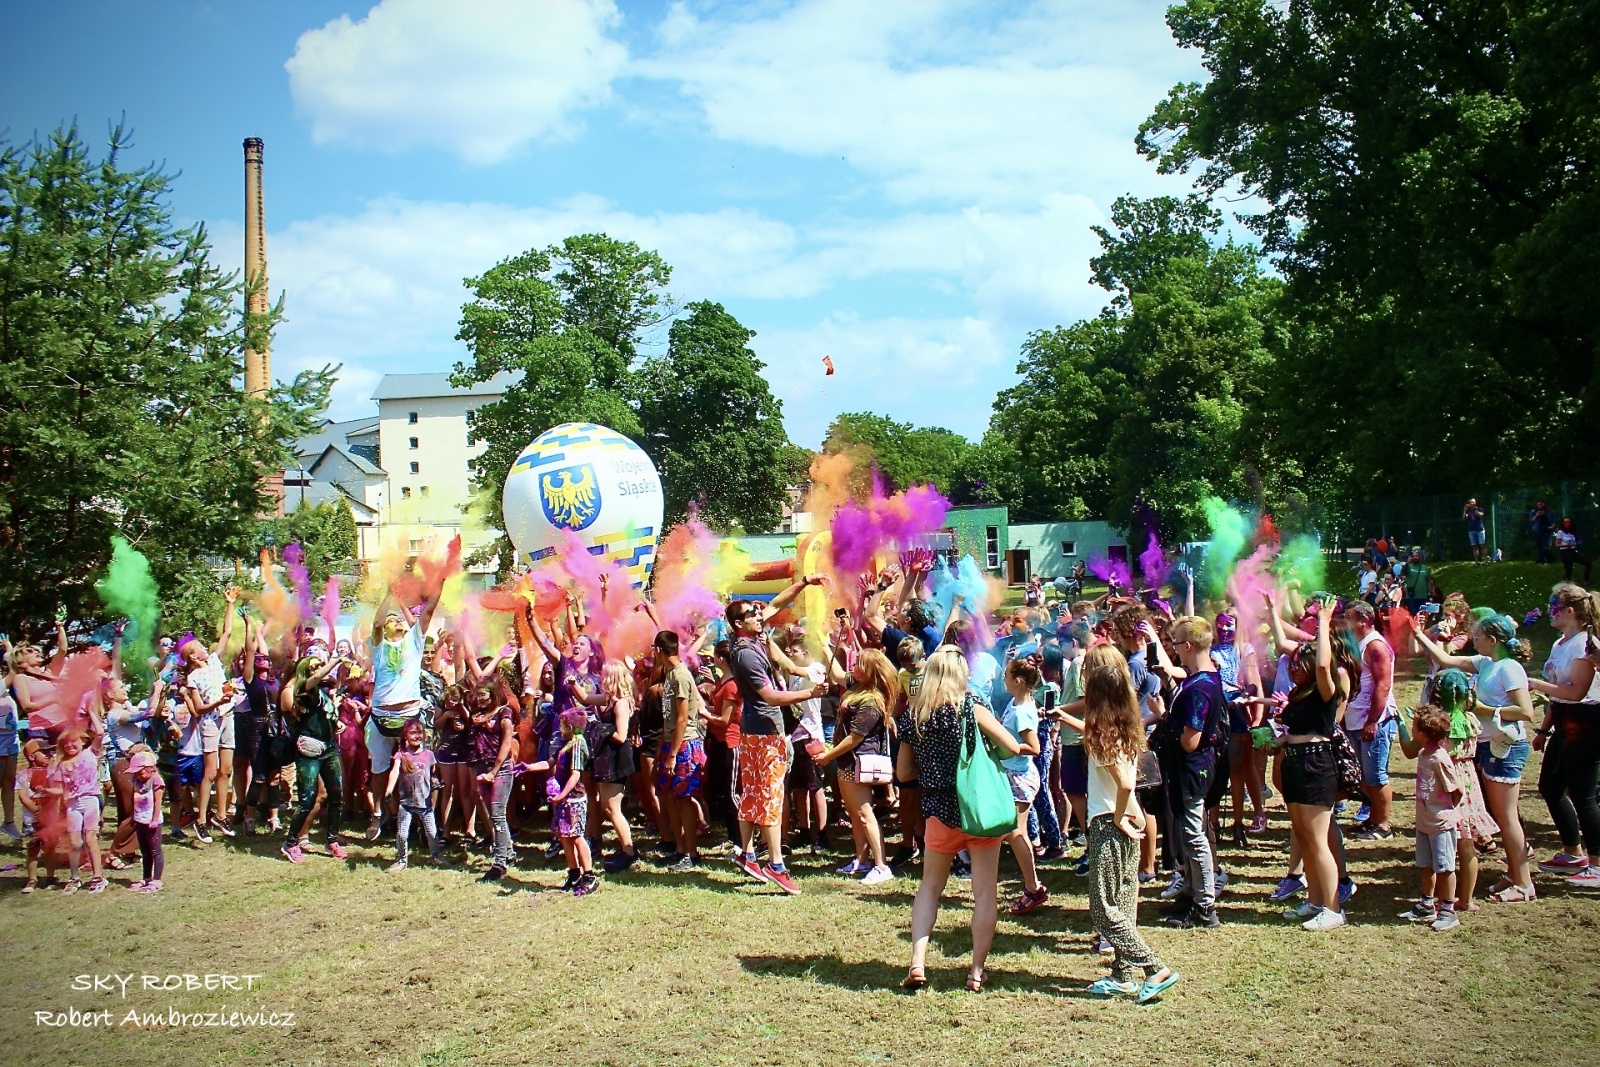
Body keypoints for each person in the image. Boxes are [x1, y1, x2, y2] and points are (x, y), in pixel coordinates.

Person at [895, 646, 1024, 992]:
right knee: (984, 893)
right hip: (978, 809)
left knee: (930, 888)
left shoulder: (914, 717)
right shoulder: (972, 709)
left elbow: (903, 771)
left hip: (937, 812)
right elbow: (1012, 746)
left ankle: (918, 962)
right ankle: (976, 971)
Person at [1072, 644, 1180, 1001]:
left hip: (1111, 824)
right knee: (1122, 901)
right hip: (1127, 822)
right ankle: (1121, 975)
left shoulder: (1105, 735)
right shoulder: (1123, 726)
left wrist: (1118, 815)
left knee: (1103, 908)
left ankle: (1154, 967)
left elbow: (1126, 782)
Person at [1416, 614, 1537, 902]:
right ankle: (1513, 873)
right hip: (1488, 747)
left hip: (1506, 749)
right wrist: (1419, 634)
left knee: (1507, 818)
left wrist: (1483, 709)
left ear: (1493, 640)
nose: (1474, 641)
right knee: (1500, 815)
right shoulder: (1487, 663)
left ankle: (1524, 883)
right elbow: (1446, 661)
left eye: (1478, 637)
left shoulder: (1509, 669)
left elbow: (1525, 712)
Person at [725, 576, 831, 895]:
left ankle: (746, 853)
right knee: (771, 796)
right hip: (765, 732)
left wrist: (804, 582)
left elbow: (776, 604)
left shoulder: (751, 637)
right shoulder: (746, 653)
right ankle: (776, 863)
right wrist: (809, 692)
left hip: (756, 731)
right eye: (752, 614)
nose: (760, 615)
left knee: (754, 794)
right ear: (739, 623)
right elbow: (770, 696)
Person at [1276, 599, 1355, 930]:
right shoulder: (1300, 693)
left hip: (1315, 766)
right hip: (1295, 764)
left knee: (1318, 839)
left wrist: (1323, 620)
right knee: (1305, 836)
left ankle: (1334, 909)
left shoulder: (1326, 689)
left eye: (1299, 664)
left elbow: (1324, 666)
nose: (1293, 668)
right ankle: (1314, 901)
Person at [1151, 616, 1227, 930]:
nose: (1175, 652)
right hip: (1194, 769)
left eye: (1177, 644)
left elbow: (1189, 741)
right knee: (1191, 833)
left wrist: (1163, 716)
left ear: (1187, 645)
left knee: (1195, 837)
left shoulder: (1199, 688)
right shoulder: (1203, 677)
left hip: (1192, 770)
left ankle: (1205, 905)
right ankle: (1192, 892)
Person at [1529, 584, 1600, 885]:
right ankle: (1573, 852)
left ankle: (1596, 865)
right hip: (1563, 721)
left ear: (1570, 610)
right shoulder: (1561, 643)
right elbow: (1558, 698)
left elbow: (1575, 692)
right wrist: (1544, 729)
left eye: (1553, 605)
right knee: (1550, 786)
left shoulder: (1587, 645)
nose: (1549, 611)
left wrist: (1534, 683)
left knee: (1583, 795)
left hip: (1586, 724)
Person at [812, 644, 897, 886]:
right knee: (856, 814)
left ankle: (881, 865)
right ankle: (862, 860)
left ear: (868, 671)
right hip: (848, 763)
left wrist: (829, 756)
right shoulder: (857, 687)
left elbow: (855, 737)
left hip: (858, 762)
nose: (853, 665)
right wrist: (825, 643)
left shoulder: (870, 700)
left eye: (858, 663)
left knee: (864, 813)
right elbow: (837, 674)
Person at [367, 589, 442, 841]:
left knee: (415, 768)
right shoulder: (378, 646)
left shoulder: (414, 641)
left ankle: (421, 822)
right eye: (392, 619)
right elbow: (377, 623)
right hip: (380, 717)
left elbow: (429, 610)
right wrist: (388, 594)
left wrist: (439, 579)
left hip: (409, 714)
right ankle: (377, 814)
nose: (397, 620)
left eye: (398, 618)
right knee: (379, 768)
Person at [1394, 703, 1463, 930]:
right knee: (1425, 864)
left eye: (1414, 728)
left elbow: (1456, 789)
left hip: (1440, 824)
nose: (1412, 731)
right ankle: (1426, 904)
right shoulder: (1424, 753)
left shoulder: (1439, 759)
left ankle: (1448, 910)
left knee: (1445, 867)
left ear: (1423, 734)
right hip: (1424, 822)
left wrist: (1443, 812)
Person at [280, 651, 348, 864]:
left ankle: (331, 840)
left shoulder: (319, 692)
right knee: (307, 799)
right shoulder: (302, 689)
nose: (318, 668)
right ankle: (290, 843)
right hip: (309, 750)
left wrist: (336, 723)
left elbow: (325, 713)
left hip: (329, 748)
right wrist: (335, 660)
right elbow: (316, 678)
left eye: (320, 664)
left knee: (337, 795)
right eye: (313, 665)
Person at [996, 657, 1048, 914]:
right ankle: (1031, 884)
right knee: (1013, 832)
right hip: (1012, 774)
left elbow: (1034, 748)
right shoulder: (1015, 703)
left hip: (1020, 777)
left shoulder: (1020, 712)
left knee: (1016, 832)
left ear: (1017, 681)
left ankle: (1033, 887)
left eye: (1006, 675)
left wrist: (1011, 745)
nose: (1002, 678)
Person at [1343, 601, 1397, 840]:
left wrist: (1373, 721)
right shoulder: (1358, 643)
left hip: (1376, 720)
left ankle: (1383, 825)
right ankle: (1372, 819)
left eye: (1349, 617)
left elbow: (1383, 685)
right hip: (1356, 719)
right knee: (1364, 776)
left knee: (1376, 775)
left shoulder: (1375, 646)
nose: (1345, 622)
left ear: (1363, 621)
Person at [655, 629, 707, 872]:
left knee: (684, 798)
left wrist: (674, 753)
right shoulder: (670, 674)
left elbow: (683, 719)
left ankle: (692, 852)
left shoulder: (680, 676)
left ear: (659, 651)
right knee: (670, 797)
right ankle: (679, 849)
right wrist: (663, 750)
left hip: (685, 744)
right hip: (671, 743)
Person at [468, 681, 517, 882]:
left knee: (497, 814)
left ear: (494, 694)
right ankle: (510, 852)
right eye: (477, 695)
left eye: (484, 695)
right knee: (493, 812)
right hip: (481, 766)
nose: (480, 699)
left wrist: (494, 772)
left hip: (500, 769)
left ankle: (499, 864)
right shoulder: (479, 715)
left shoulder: (504, 715)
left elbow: (506, 746)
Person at [48, 729, 106, 894]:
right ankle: (74, 878)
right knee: (74, 842)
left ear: (82, 741)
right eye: (65, 743)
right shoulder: (61, 765)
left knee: (90, 839)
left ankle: (98, 877)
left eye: (73, 741)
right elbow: (59, 789)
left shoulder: (90, 754)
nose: (69, 745)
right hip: (72, 804)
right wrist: (45, 790)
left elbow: (100, 733)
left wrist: (91, 708)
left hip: (90, 800)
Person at [594, 661, 639, 873]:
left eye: (604, 675)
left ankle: (629, 853)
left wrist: (599, 728)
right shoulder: (608, 700)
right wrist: (572, 682)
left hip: (617, 758)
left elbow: (621, 736)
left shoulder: (621, 703)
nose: (601, 678)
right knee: (606, 806)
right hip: (606, 758)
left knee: (613, 808)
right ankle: (624, 848)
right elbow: (584, 698)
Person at [386, 719, 445, 872]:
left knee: (432, 833)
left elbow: (433, 774)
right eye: (412, 733)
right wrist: (389, 789)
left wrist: (436, 783)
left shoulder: (429, 755)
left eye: (419, 732)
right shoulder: (401, 755)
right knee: (402, 834)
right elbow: (394, 772)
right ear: (405, 735)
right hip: (406, 804)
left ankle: (436, 855)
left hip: (425, 803)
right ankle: (401, 860)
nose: (417, 736)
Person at [550, 708, 596, 895]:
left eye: (561, 725)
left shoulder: (578, 744)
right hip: (563, 798)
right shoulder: (566, 744)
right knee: (564, 836)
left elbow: (576, 774)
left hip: (574, 798)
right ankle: (574, 872)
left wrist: (562, 795)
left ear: (569, 726)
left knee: (576, 836)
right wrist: (528, 766)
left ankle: (589, 876)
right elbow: (549, 763)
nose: (560, 728)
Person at [126, 749, 165, 893]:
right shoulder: (137, 780)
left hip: (151, 821)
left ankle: (157, 879)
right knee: (145, 851)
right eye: (136, 773)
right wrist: (132, 816)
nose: (138, 776)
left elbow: (157, 802)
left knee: (155, 851)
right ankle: (146, 877)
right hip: (140, 820)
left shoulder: (156, 781)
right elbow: (134, 797)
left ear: (151, 768)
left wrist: (154, 820)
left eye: (141, 772)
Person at [1555, 518, 1593, 582]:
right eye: (1565, 522)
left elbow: (1573, 543)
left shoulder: (1572, 532)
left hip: (1573, 551)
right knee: (1569, 569)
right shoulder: (1560, 532)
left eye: (1568, 522)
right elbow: (1557, 544)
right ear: (1563, 523)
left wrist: (1578, 542)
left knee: (1588, 563)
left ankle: (1587, 580)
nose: (1567, 523)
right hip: (1565, 551)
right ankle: (1566, 583)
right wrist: (1566, 545)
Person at [1464, 499, 1487, 564]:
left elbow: (1481, 515)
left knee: (1483, 545)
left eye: (1472, 502)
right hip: (1471, 530)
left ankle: (1486, 561)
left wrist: (1475, 510)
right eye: (1470, 502)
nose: (1471, 503)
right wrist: (1465, 510)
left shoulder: (1479, 509)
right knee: (1474, 547)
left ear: (1475, 503)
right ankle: (1476, 562)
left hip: (1480, 530)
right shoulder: (1468, 511)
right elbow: (1464, 518)